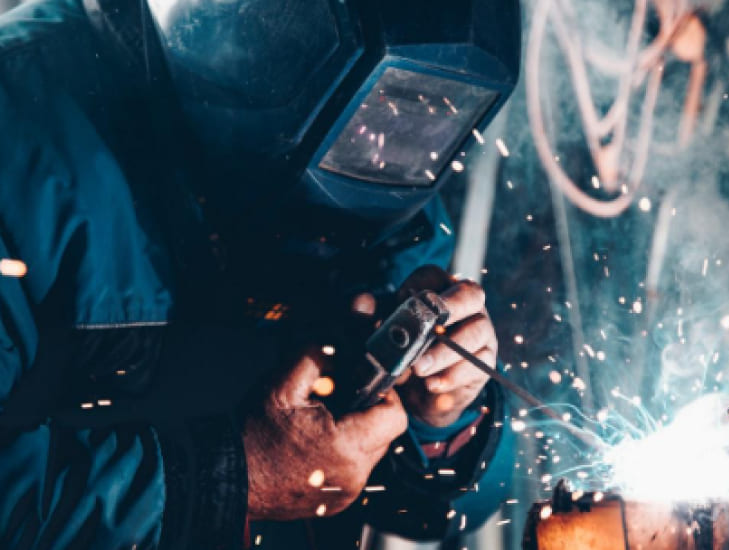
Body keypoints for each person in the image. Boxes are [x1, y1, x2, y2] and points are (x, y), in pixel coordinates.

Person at [0, 0, 520, 548]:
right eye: (376, 115)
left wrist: (444, 420)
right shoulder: (21, 134)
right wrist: (227, 481)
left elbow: (436, 513)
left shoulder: (386, 168)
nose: (382, 143)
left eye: (423, 117)